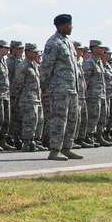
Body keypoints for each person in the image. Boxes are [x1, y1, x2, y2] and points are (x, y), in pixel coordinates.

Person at [39, 14, 83, 161]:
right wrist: (44, 86)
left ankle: (66, 147)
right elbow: (46, 67)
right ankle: (55, 150)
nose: (71, 27)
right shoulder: (53, 43)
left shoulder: (68, 43)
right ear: (60, 26)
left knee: (72, 120)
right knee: (59, 120)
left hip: (72, 89)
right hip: (59, 89)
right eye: (68, 24)